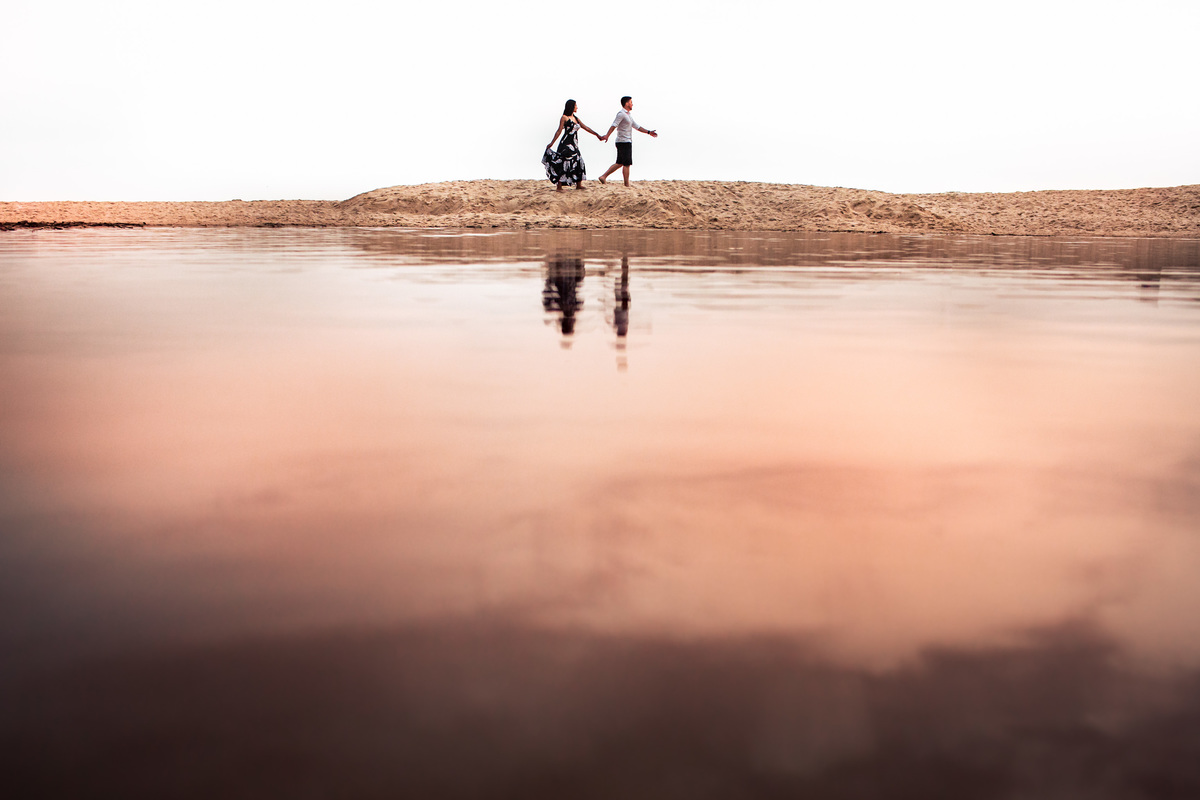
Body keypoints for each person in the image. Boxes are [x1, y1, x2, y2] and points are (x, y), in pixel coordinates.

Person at [543, 99, 603, 192]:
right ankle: (559, 186)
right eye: (575, 106)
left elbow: (586, 127)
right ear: (571, 106)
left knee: (578, 160)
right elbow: (559, 131)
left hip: (574, 144)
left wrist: (597, 135)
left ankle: (578, 184)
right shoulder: (564, 117)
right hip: (565, 144)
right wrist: (552, 143)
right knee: (563, 162)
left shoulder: (576, 118)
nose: (577, 107)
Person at [598, 96, 657, 186]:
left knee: (619, 163)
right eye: (631, 102)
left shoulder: (628, 115)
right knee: (627, 164)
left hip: (625, 141)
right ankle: (626, 184)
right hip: (623, 141)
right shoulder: (621, 114)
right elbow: (614, 125)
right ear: (626, 103)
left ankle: (603, 176)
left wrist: (649, 132)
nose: (632, 104)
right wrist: (607, 135)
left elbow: (637, 126)